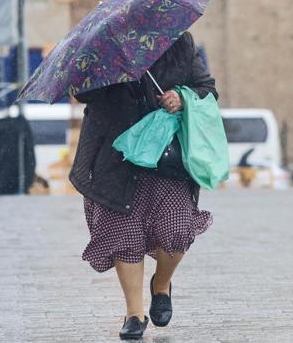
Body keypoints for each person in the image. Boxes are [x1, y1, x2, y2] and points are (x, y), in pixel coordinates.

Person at [71, 32, 218, 340]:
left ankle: (161, 285)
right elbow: (83, 94)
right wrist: (99, 65)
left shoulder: (179, 42)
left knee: (177, 228)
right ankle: (134, 313)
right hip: (115, 154)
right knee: (122, 233)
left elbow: (207, 89)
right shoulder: (103, 44)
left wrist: (180, 97)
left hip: (165, 156)